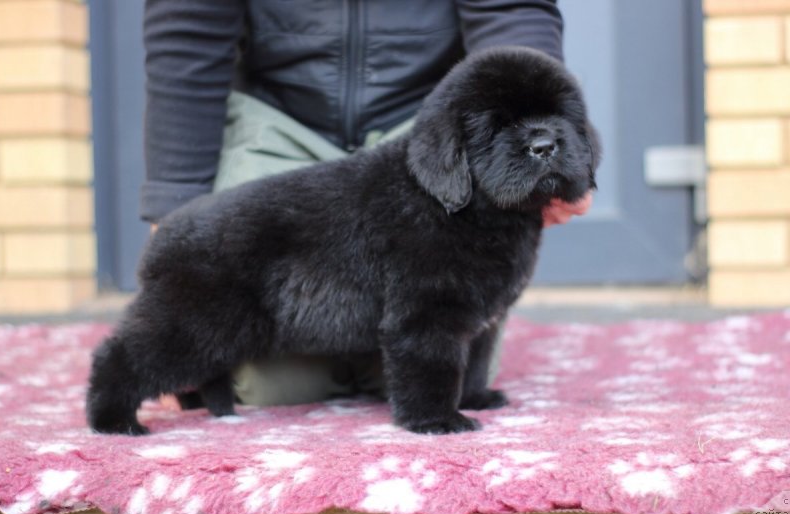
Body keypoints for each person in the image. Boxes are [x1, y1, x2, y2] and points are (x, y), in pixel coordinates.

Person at [142, 0, 593, 408]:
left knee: (444, 358)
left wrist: (532, 139)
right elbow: (188, 31)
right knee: (270, 390)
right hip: (278, 126)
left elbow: (511, 8)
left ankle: (384, 360)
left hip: (420, 131)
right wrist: (176, 205)